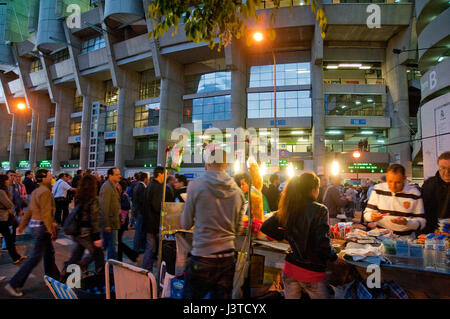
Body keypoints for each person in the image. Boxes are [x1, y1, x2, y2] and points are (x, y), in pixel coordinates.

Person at [260, 172, 338, 299]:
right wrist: (334, 257)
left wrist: (288, 235)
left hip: (290, 269)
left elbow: (266, 226)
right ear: (314, 189)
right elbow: (322, 243)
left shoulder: (290, 207)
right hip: (311, 272)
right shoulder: (320, 210)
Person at [181, 150, 246, 299]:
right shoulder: (238, 192)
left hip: (202, 257)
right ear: (226, 165)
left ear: (208, 163)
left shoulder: (195, 186)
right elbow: (238, 229)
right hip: (227, 259)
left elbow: (185, 224)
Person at [5, 169, 60, 297]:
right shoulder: (45, 192)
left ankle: (53, 278)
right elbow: (46, 214)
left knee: (49, 253)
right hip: (42, 227)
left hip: (35, 226)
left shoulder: (36, 191)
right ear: (43, 178)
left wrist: (23, 225)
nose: (51, 176)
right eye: (49, 175)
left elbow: (30, 210)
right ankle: (14, 283)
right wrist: (51, 229)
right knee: (35, 258)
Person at [60, 174, 104, 279]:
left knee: (77, 253)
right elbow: (94, 219)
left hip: (78, 231)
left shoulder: (79, 197)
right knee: (98, 255)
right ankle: (100, 279)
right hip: (86, 232)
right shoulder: (94, 199)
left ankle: (67, 273)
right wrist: (97, 237)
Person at [364, 164, 426, 236]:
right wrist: (372, 216)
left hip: (405, 237)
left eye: (398, 182)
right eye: (390, 181)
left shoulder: (414, 194)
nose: (393, 186)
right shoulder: (378, 189)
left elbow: (422, 222)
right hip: (381, 235)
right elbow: (367, 213)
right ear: (386, 177)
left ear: (404, 179)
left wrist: (407, 222)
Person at [141, 167, 174, 271]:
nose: (166, 176)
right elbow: (157, 206)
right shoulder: (158, 187)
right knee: (151, 247)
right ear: (160, 174)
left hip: (148, 221)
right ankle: (146, 269)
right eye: (166, 174)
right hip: (153, 222)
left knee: (151, 246)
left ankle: (147, 268)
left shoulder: (150, 185)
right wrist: (165, 210)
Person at [0, 174, 26, 264]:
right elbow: (9, 204)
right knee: (8, 238)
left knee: (8, 238)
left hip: (3, 217)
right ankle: (15, 257)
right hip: (2, 218)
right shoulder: (1, 192)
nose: (8, 181)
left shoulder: (5, 190)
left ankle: (16, 257)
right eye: (7, 180)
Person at [422, 151, 450, 234]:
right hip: (432, 234)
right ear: (438, 167)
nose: (447, 173)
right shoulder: (429, 184)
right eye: (443, 168)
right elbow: (423, 211)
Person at [99, 168, 122, 260]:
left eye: (119, 174)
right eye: (117, 174)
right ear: (110, 176)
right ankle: (111, 269)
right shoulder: (107, 187)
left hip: (114, 221)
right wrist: (107, 224)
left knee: (106, 244)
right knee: (112, 246)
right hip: (110, 222)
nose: (119, 176)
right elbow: (104, 207)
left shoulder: (113, 186)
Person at [117, 179, 138, 263]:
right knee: (117, 241)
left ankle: (131, 255)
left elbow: (127, 206)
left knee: (117, 241)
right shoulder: (121, 195)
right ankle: (129, 256)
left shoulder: (123, 195)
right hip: (121, 220)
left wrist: (118, 206)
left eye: (118, 184)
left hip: (121, 221)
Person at [132, 172, 148, 253]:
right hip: (140, 212)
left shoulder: (137, 186)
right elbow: (142, 201)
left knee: (139, 230)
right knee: (138, 231)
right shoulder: (141, 187)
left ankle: (137, 247)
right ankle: (136, 248)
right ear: (145, 178)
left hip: (137, 211)